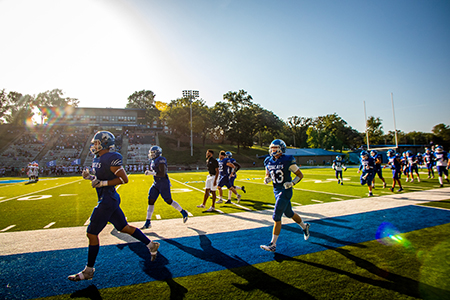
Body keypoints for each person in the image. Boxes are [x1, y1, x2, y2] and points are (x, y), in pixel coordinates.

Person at [68, 131, 160, 282]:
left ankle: (89, 271)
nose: (94, 146)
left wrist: (103, 183)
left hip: (107, 200)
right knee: (124, 228)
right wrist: (90, 177)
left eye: (97, 143)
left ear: (104, 143)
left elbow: (123, 179)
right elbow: (100, 178)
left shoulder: (112, 157)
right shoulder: (97, 158)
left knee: (92, 233)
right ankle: (151, 245)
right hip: (108, 198)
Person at [260, 139, 310, 252]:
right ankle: (304, 226)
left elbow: (300, 175)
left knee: (276, 216)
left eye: (275, 148)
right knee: (289, 213)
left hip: (285, 190)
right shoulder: (268, 160)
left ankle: (273, 244)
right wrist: (266, 177)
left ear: (281, 148)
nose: (273, 150)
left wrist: (292, 183)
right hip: (276, 190)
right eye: (272, 148)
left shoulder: (287, 160)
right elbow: (268, 170)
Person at [141, 145, 188, 229]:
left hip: (163, 182)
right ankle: (148, 222)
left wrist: (151, 173)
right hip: (156, 183)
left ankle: (183, 212)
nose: (151, 154)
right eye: (151, 153)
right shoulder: (153, 160)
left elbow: (162, 173)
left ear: (157, 153)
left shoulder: (161, 159)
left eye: (153, 153)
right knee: (151, 200)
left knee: (168, 200)